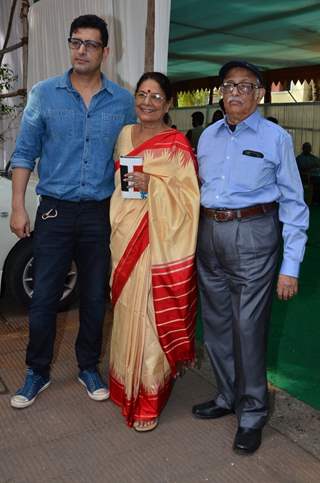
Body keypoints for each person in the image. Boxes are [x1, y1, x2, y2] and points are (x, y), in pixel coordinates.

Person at [9, 14, 136, 409]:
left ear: (105, 51)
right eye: (76, 42)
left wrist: (132, 208)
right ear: (70, 45)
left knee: (96, 295)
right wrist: (17, 207)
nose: (82, 50)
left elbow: (131, 155)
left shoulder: (122, 100)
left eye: (91, 44)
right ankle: (37, 372)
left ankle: (87, 366)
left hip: (100, 213)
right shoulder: (45, 94)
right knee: (45, 294)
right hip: (54, 211)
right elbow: (24, 153)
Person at [193, 60, 309, 454]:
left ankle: (254, 412)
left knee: (247, 328)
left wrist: (290, 266)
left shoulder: (276, 138)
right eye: (229, 85)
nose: (236, 92)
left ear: (259, 94)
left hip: (254, 236)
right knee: (217, 323)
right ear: (221, 93)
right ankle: (227, 397)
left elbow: (295, 203)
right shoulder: (207, 137)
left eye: (245, 85)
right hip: (208, 234)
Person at [108, 72, 199, 432]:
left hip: (158, 241)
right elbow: (121, 185)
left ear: (168, 103)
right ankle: (122, 384)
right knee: (127, 311)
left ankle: (147, 397)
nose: (147, 102)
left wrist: (156, 186)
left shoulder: (176, 145)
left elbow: (190, 200)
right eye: (142, 94)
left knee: (149, 315)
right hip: (124, 232)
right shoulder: (124, 135)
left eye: (156, 96)